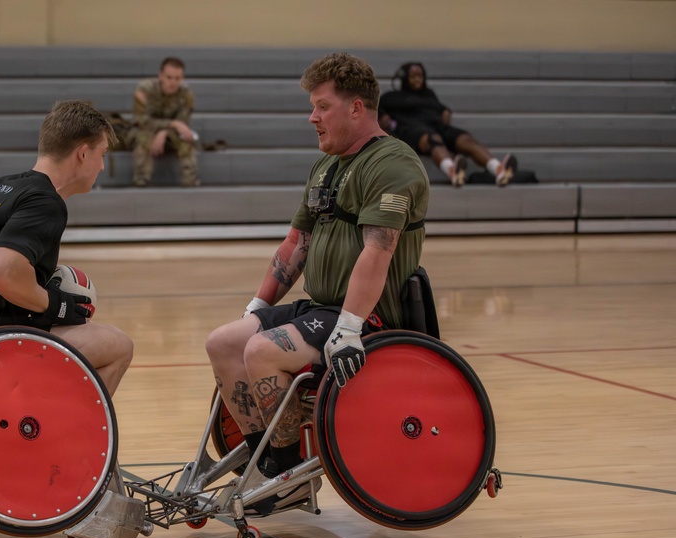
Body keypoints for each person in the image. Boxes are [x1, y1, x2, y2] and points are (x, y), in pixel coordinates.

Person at [205, 53, 429, 513]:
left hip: (369, 319)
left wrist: (349, 327)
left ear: (356, 108)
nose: (312, 117)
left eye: (322, 106)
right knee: (225, 341)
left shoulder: (393, 164)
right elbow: (295, 244)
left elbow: (378, 249)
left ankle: (289, 479)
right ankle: (267, 459)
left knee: (261, 351)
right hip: (319, 309)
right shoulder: (326, 166)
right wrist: (255, 306)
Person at [0, 100, 134, 396]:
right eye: (102, 154)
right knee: (119, 345)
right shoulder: (45, 202)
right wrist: (56, 305)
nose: (102, 166)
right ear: (83, 153)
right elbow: (2, 270)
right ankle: (61, 437)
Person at [378, 61, 517, 187]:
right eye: (413, 76)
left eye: (420, 76)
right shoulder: (391, 97)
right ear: (404, 78)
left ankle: (498, 169)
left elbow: (440, 109)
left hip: (437, 126)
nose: (417, 80)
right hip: (413, 130)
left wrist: (445, 111)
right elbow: (378, 114)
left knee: (465, 139)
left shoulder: (429, 94)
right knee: (433, 140)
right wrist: (385, 120)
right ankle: (453, 171)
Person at [131, 57, 200, 187]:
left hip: (171, 134)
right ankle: (141, 181)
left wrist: (164, 132)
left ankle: (190, 182)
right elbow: (142, 121)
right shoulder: (144, 90)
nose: (173, 82)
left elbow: (183, 124)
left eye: (177, 78)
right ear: (160, 76)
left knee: (187, 140)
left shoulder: (186, 95)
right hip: (144, 130)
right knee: (143, 138)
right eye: (169, 77)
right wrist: (172, 124)